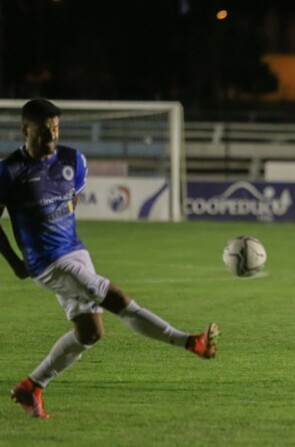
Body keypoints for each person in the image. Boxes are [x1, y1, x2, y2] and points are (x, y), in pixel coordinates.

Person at [0, 98, 220, 419]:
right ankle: (189, 342)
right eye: (44, 132)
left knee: (91, 332)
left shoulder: (73, 160)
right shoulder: (9, 172)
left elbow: (71, 200)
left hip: (75, 250)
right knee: (115, 297)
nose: (51, 138)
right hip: (45, 261)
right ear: (25, 130)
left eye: (56, 130)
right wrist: (16, 262)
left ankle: (31, 387)